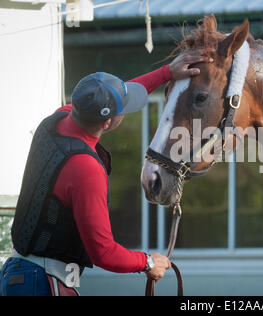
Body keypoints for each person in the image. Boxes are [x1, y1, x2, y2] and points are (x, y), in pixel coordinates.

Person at [0, 51, 213, 296]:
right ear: (107, 123)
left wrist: (167, 73)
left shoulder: (56, 120)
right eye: (123, 107)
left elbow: (114, 96)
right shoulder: (86, 169)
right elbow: (103, 252)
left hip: (19, 273)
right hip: (43, 283)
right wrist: (148, 262)